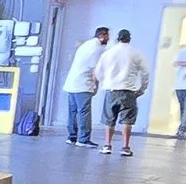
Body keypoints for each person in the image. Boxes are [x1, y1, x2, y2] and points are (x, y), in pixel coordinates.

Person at [95, 27, 150, 156]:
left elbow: (98, 72)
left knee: (109, 120)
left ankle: (107, 145)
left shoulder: (108, 52)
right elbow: (145, 73)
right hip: (129, 91)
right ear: (129, 39)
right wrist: (142, 88)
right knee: (127, 120)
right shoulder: (136, 53)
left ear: (117, 38)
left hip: (112, 90)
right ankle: (125, 147)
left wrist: (105, 82)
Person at [61, 26, 110, 147]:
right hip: (83, 84)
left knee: (73, 112)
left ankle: (72, 136)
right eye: (107, 36)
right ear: (102, 36)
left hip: (72, 83)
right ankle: (83, 139)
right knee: (84, 112)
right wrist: (95, 86)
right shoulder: (97, 48)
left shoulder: (86, 45)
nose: (108, 38)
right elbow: (96, 70)